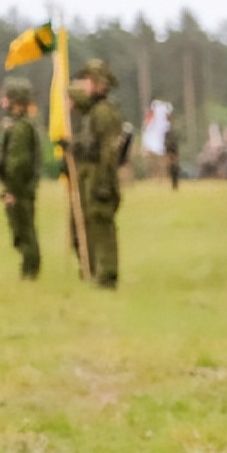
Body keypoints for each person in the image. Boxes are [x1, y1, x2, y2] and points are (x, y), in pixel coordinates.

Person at [71, 59, 125, 289]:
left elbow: (109, 151)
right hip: (90, 176)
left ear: (98, 83)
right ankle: (94, 270)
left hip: (99, 177)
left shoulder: (103, 113)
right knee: (91, 223)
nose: (84, 85)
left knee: (102, 225)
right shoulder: (93, 112)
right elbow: (88, 144)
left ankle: (107, 275)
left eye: (87, 80)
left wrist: (103, 182)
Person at [0, 76, 41, 280]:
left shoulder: (21, 129)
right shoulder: (18, 125)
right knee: (21, 232)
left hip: (19, 190)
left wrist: (12, 190)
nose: (2, 99)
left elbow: (17, 163)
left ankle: (30, 273)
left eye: (7, 96)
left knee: (23, 232)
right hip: (20, 188)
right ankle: (29, 271)